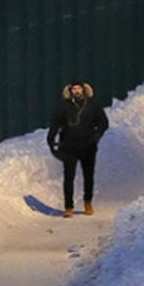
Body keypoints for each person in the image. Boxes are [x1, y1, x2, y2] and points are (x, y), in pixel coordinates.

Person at [47, 80, 109, 218]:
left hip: (88, 146)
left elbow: (103, 123)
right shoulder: (63, 106)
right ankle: (68, 207)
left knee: (88, 175)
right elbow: (55, 124)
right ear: (70, 91)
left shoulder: (93, 105)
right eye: (73, 89)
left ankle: (88, 202)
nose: (76, 91)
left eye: (79, 88)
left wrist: (96, 136)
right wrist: (51, 139)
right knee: (68, 177)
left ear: (84, 89)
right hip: (68, 146)